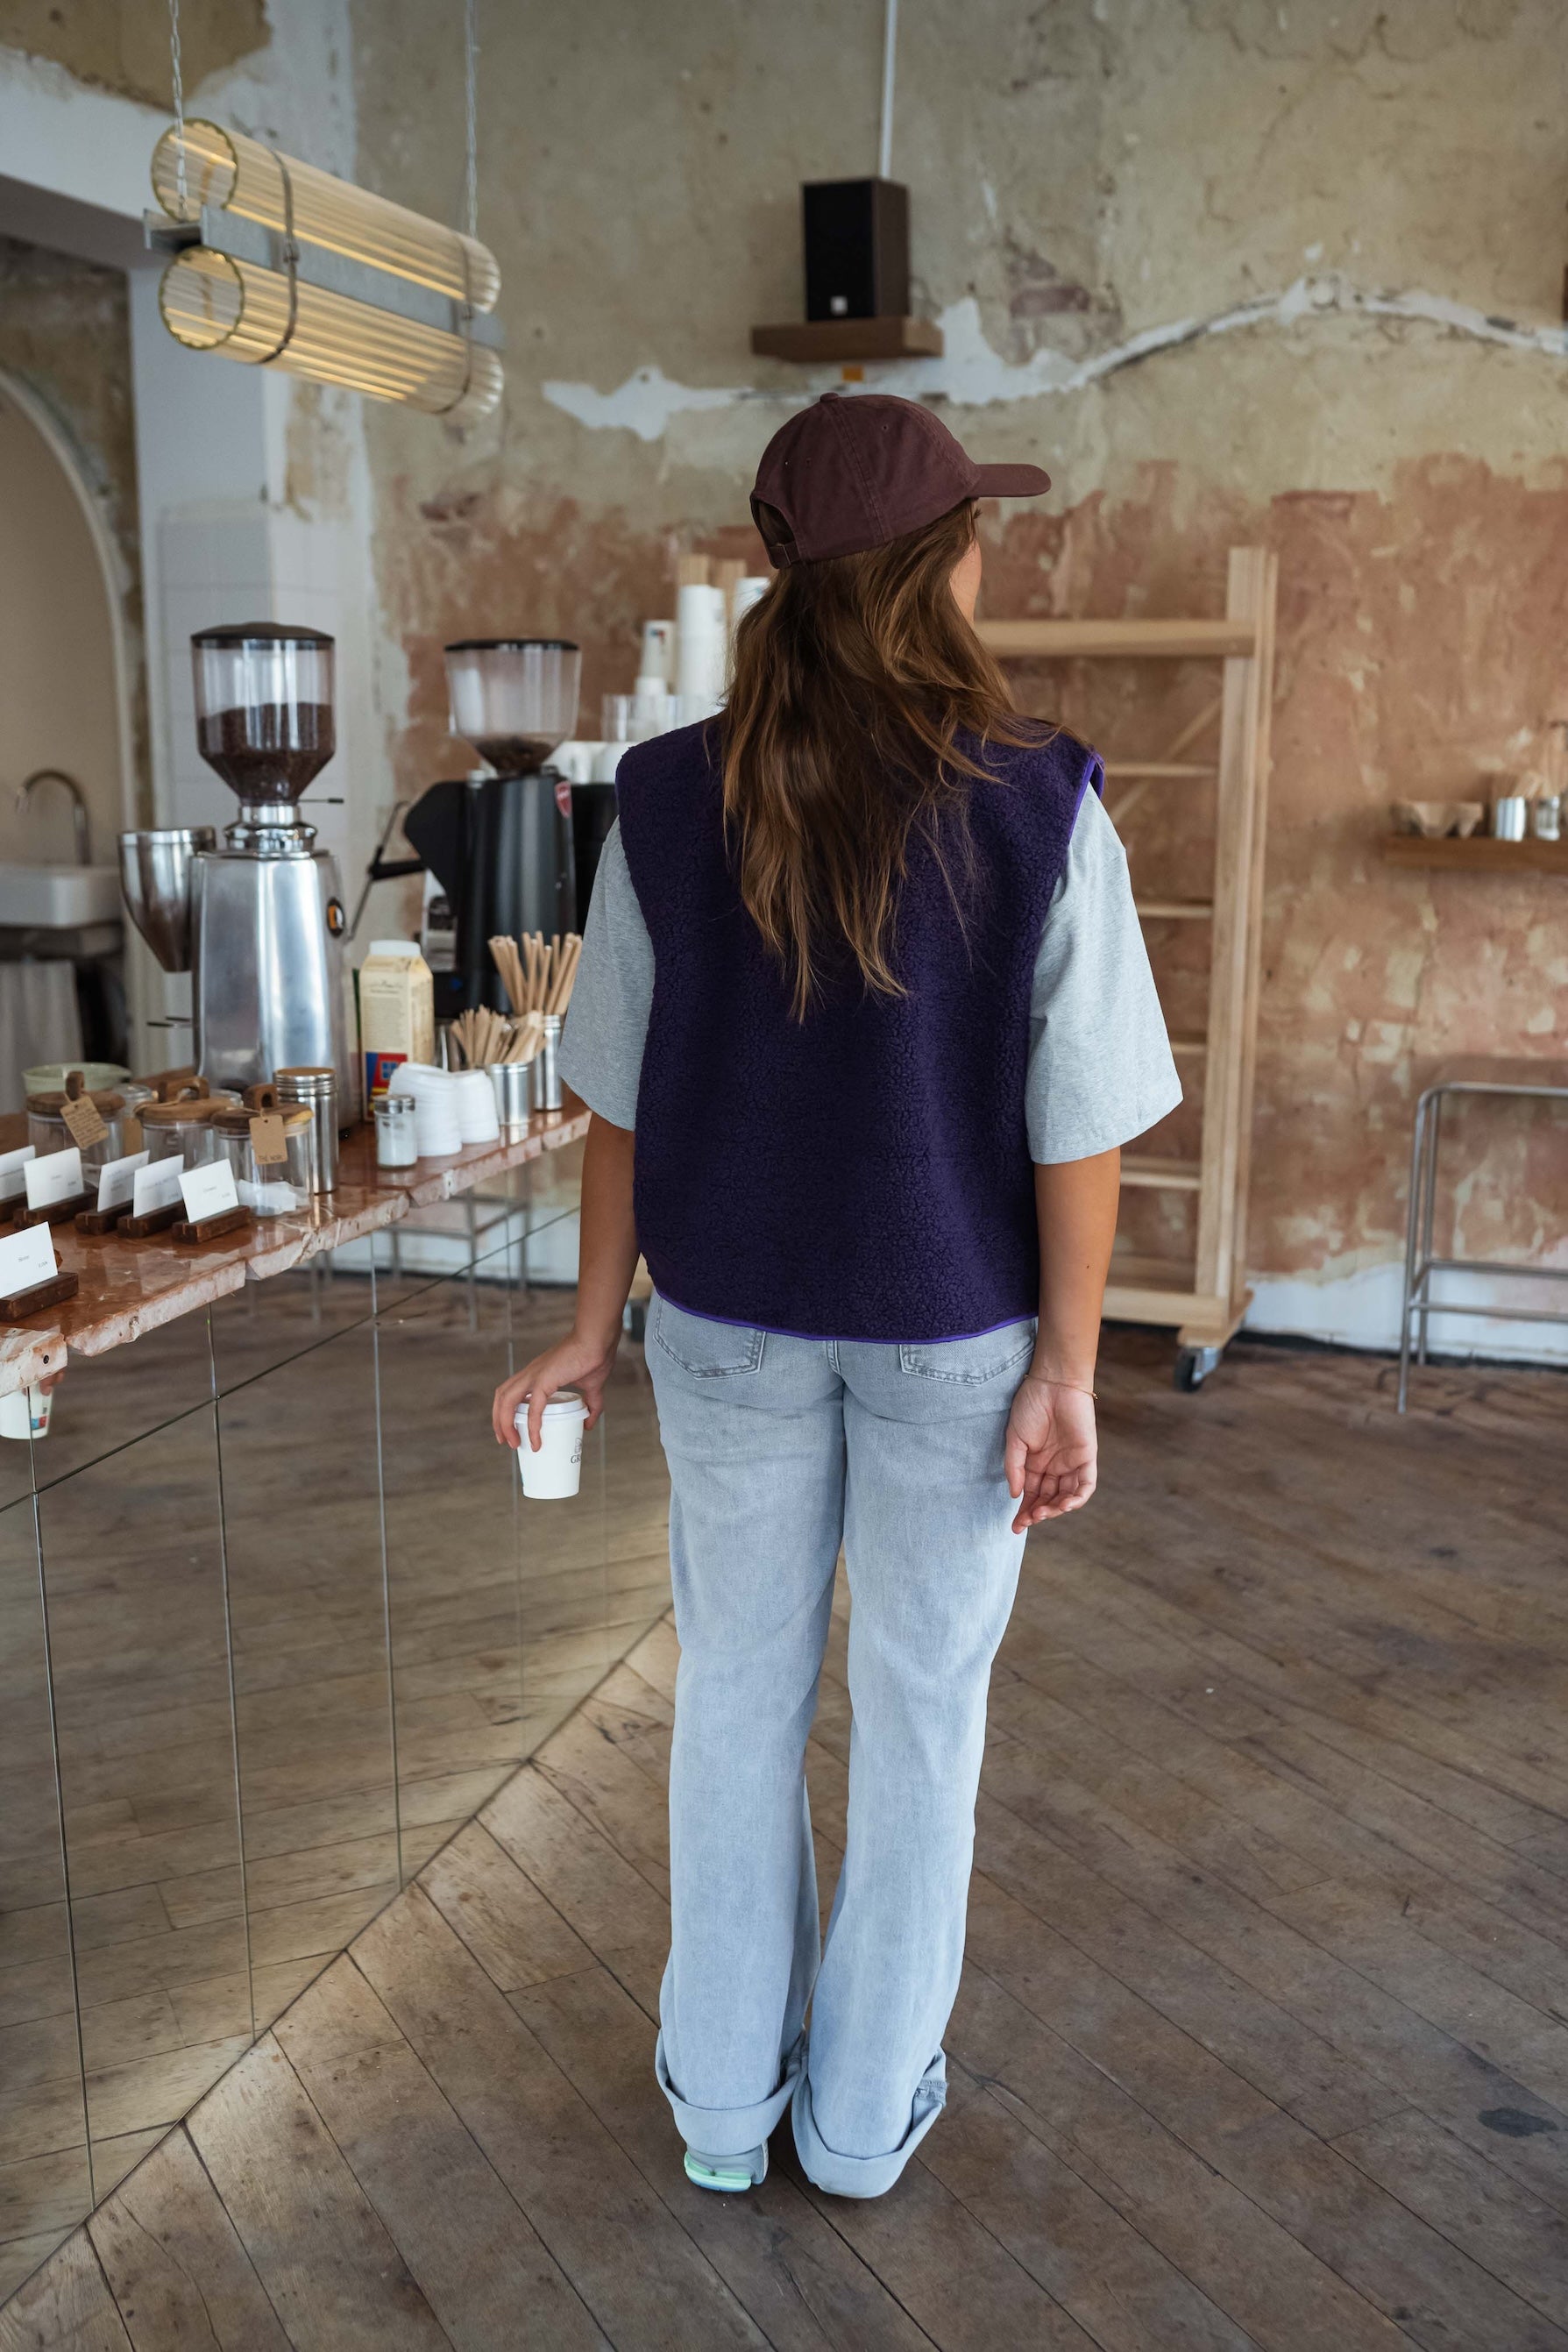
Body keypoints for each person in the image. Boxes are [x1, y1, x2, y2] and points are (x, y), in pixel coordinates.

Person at [493, 392, 1180, 2200]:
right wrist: (1067, 1369)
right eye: (974, 536)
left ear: (782, 568)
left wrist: (589, 1326)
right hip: (954, 1330)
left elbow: (618, 1102)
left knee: (734, 1695)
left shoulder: (665, 794)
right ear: (938, 567)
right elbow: (1080, 1125)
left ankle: (724, 2105)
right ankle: (863, 2119)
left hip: (722, 1322)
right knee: (921, 1708)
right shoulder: (1040, 799)